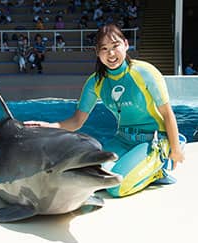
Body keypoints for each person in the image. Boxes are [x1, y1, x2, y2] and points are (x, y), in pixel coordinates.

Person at [24, 24, 185, 198]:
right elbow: (76, 122)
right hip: (122, 139)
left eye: (115, 46)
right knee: (92, 180)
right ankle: (141, 165)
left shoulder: (144, 72)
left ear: (125, 44)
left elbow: (168, 113)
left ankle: (157, 169)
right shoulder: (95, 83)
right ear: (97, 52)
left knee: (116, 188)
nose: (111, 54)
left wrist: (175, 150)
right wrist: (48, 126)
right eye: (105, 48)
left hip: (153, 140)